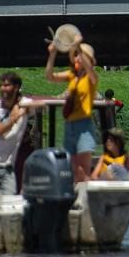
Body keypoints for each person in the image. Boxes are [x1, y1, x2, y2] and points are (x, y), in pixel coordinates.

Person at [45, 32, 99, 183]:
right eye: (75, 55)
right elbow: (49, 76)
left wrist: (78, 47)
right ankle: (75, 198)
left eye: (80, 55)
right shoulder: (71, 76)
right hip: (69, 125)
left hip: (84, 125)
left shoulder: (91, 78)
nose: (77, 58)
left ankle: (87, 199)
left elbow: (90, 71)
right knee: (73, 168)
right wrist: (52, 54)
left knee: (83, 169)